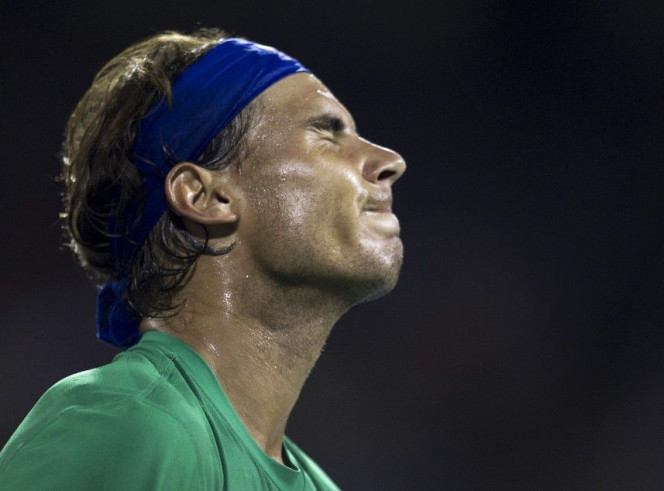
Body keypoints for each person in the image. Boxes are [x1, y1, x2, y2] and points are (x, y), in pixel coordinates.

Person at [0, 28, 406, 489]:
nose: (390, 159)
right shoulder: (129, 424)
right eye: (326, 134)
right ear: (204, 196)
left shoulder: (318, 484)